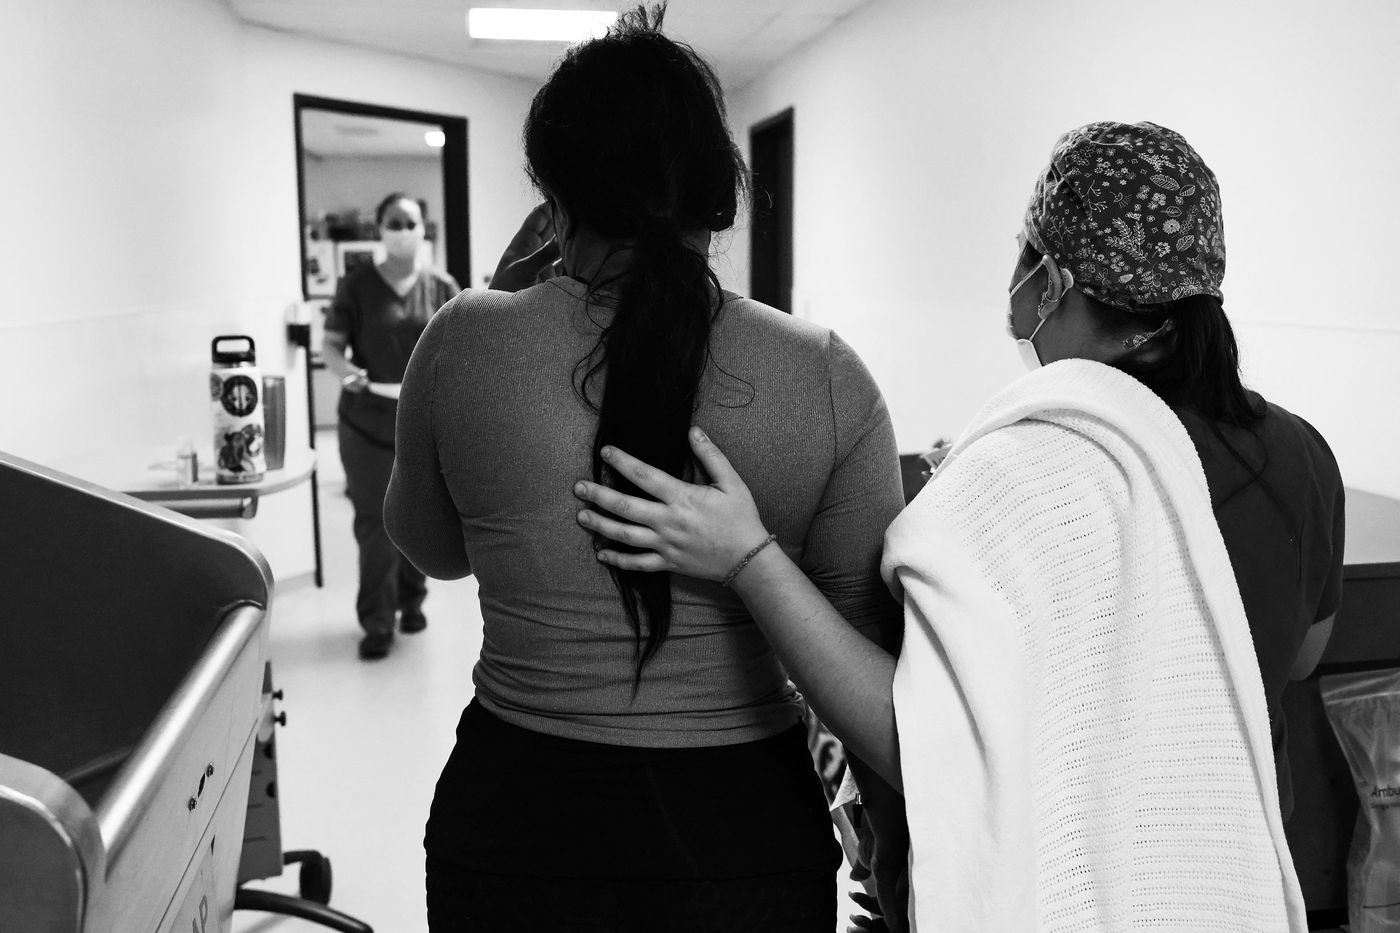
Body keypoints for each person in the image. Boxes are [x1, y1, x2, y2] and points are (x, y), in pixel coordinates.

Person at [573, 121, 1346, 932]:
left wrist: (748, 557)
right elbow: (1299, 653)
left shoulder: (1025, 471)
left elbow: (918, 746)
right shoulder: (1301, 455)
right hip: (1223, 889)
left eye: (1026, 251)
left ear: (1055, 280)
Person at [383, 6, 906, 931]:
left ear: (553, 198)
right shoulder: (825, 375)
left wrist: (502, 300)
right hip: (737, 838)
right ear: (717, 194)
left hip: (515, 828)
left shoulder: (463, 340)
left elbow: (432, 551)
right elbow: (871, 682)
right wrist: (899, 861)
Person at [322, 192, 460, 660]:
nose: (403, 230)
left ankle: (411, 599)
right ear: (379, 229)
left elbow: (458, 351)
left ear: (425, 228)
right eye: (394, 222)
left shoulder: (442, 286)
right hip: (367, 422)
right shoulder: (357, 285)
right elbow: (331, 348)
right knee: (376, 523)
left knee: (419, 513)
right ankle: (377, 622)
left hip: (421, 423)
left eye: (411, 222)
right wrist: (347, 373)